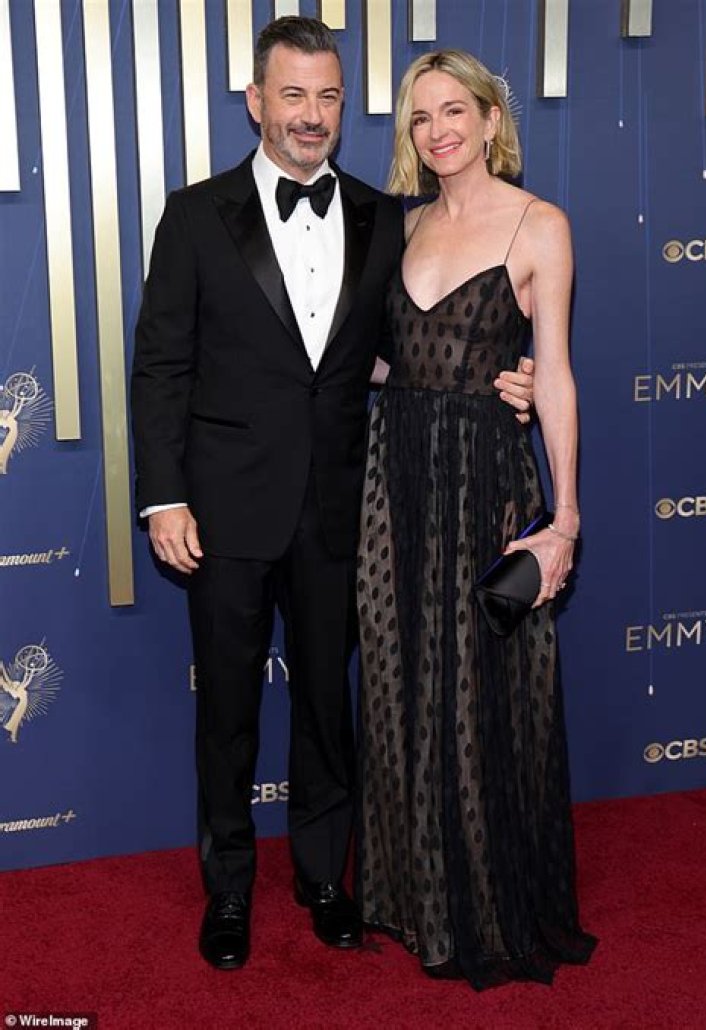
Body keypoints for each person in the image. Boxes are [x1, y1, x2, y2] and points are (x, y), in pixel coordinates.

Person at [131, 19, 534, 972]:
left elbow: (417, 345)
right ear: (255, 102)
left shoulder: (382, 216)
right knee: (228, 710)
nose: (312, 115)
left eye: (329, 97)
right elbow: (161, 368)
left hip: (347, 507)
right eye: (293, 95)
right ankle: (229, 888)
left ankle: (323, 876)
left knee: (325, 704)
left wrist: (504, 380)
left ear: (344, 106)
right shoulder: (194, 214)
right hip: (224, 512)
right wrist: (163, 497)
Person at [356, 49, 597, 989]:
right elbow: (393, 358)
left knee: (478, 689)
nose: (438, 131)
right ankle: (413, 892)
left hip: (484, 479)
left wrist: (564, 520)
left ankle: (487, 902)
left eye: (455, 110)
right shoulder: (404, 225)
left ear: (493, 119)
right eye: (420, 117)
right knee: (400, 673)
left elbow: (557, 373)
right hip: (396, 476)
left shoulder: (541, 225)